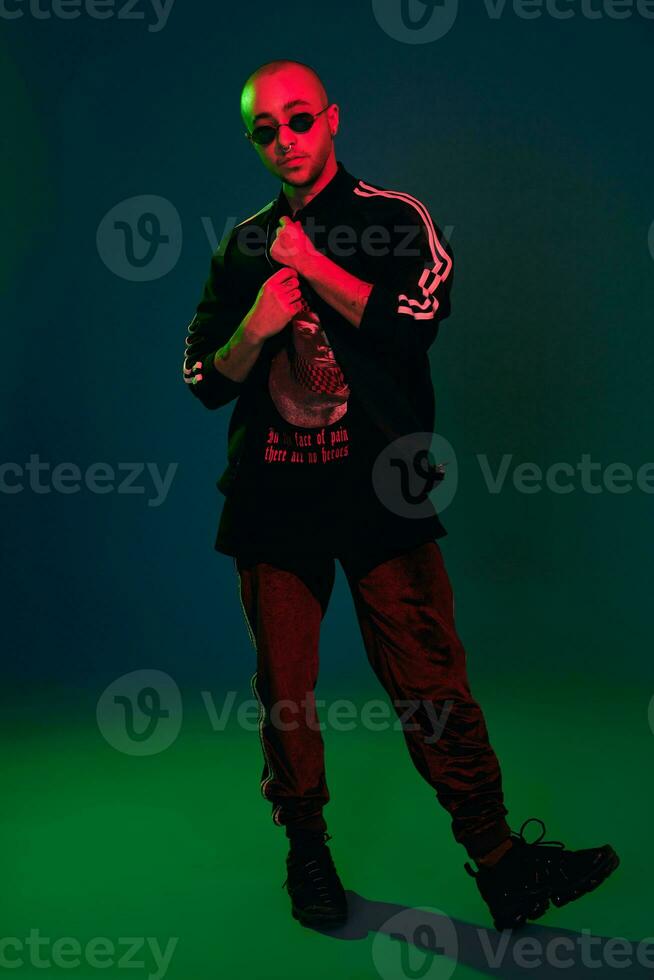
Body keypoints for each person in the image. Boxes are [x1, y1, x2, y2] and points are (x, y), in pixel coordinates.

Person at [182, 59, 619, 931]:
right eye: (265, 130)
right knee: (287, 693)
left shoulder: (392, 220)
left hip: (383, 495)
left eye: (299, 120)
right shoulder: (241, 247)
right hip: (274, 506)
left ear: (332, 119)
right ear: (252, 142)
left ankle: (500, 863)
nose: (286, 142)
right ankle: (308, 857)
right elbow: (202, 374)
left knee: (432, 679)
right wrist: (256, 327)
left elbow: (418, 318)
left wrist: (313, 267)